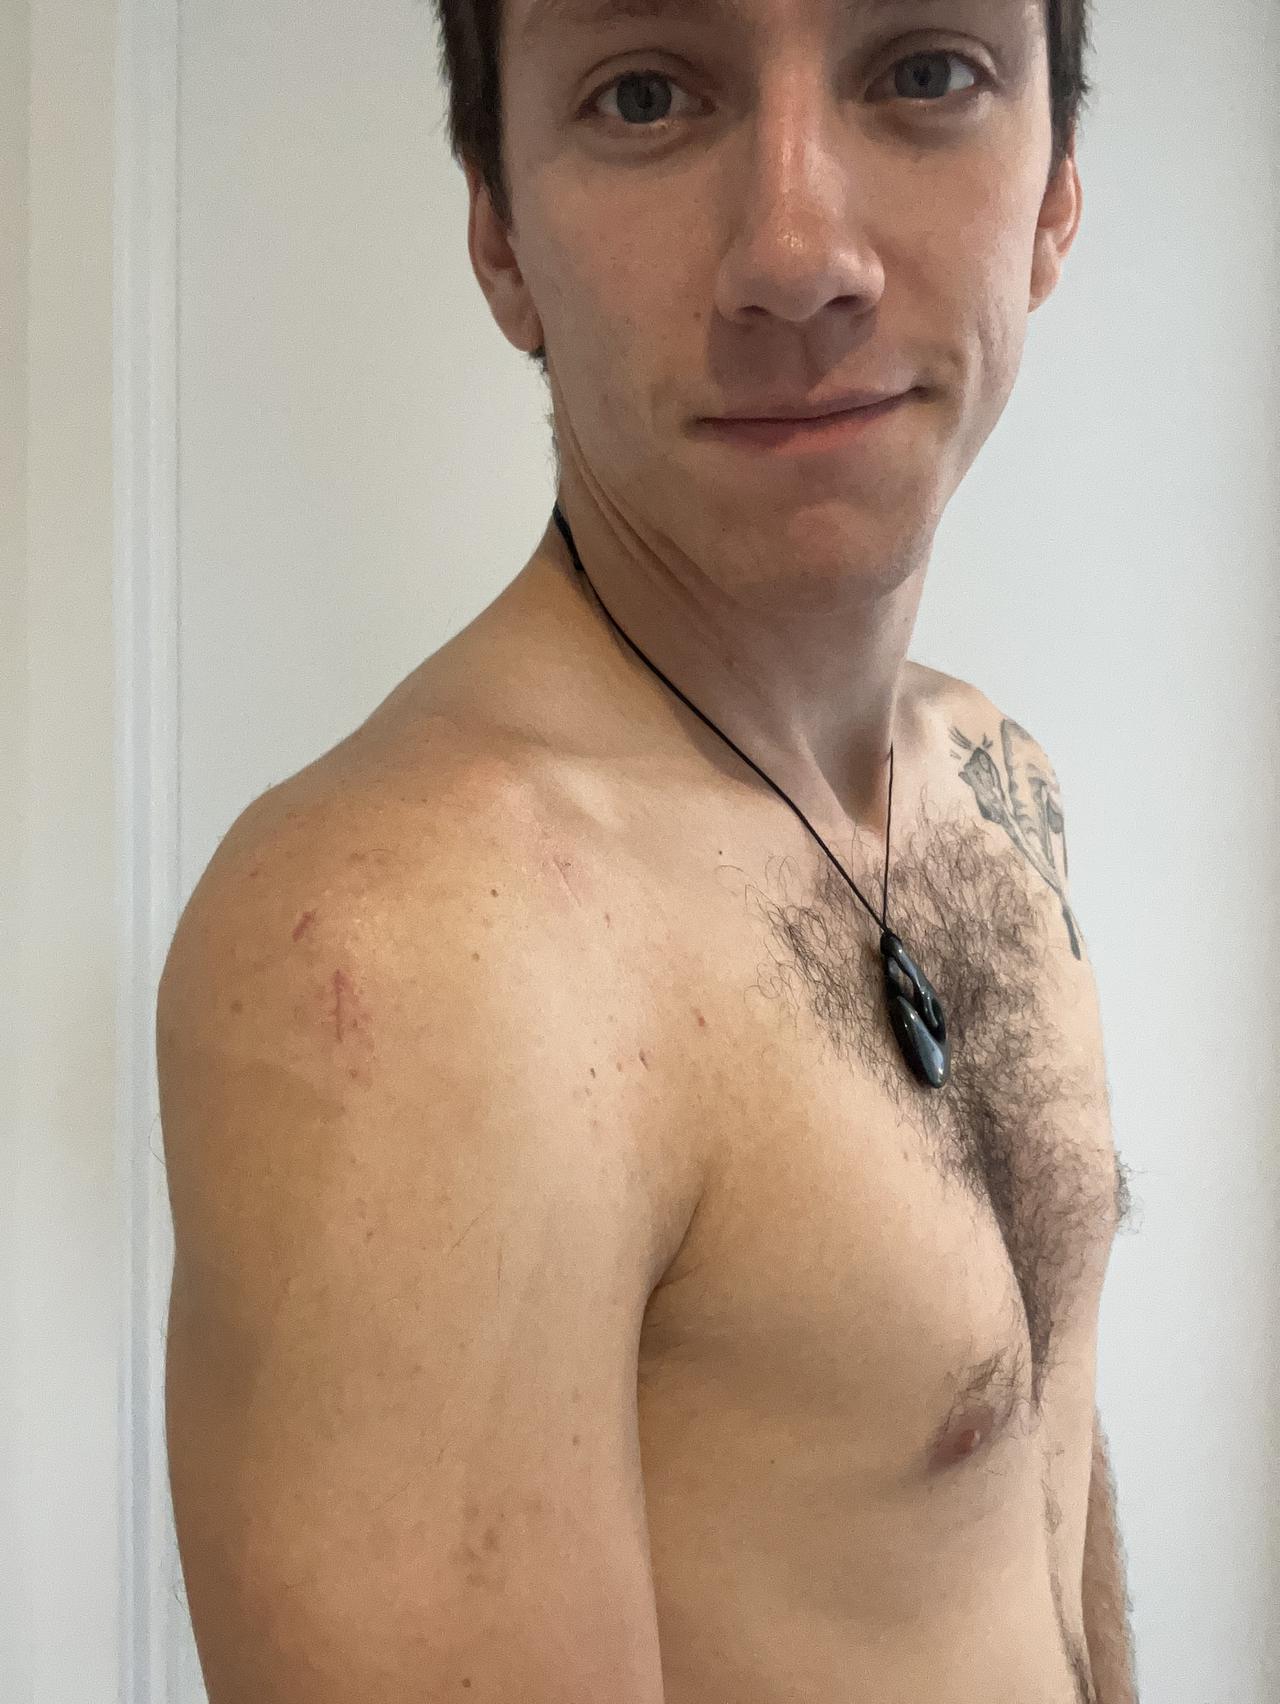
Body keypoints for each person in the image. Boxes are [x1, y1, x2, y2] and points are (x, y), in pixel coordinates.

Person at [156, 0, 1141, 1699]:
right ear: (501, 237)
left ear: (1056, 190)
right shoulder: (414, 949)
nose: (799, 257)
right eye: (643, 96)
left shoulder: (999, 783)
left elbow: (1040, 1485)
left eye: (925, 72)